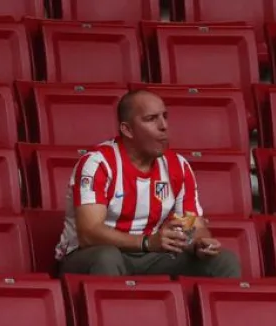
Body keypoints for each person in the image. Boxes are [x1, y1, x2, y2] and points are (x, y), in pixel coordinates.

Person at [55, 89, 242, 279]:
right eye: (151, 119)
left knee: (223, 260)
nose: (163, 126)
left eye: (165, 117)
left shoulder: (177, 166)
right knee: (107, 257)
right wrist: (146, 242)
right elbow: (89, 233)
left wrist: (199, 242)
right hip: (89, 255)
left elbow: (192, 223)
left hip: (151, 255)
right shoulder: (98, 164)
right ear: (127, 129)